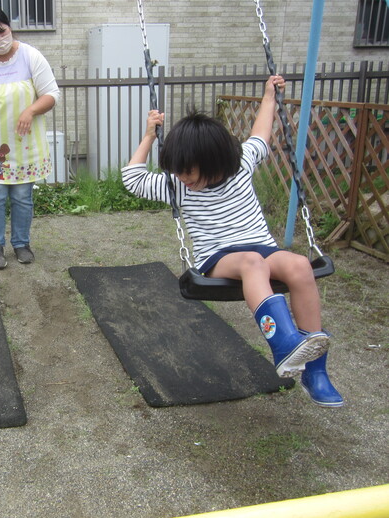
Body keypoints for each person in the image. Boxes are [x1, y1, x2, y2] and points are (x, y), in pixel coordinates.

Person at [122, 75, 343, 407]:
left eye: (190, 173)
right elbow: (132, 178)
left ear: (216, 162)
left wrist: (269, 96)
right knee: (252, 262)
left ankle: (316, 371)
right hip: (218, 258)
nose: (184, 179)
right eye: (179, 172)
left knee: (298, 265)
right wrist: (149, 136)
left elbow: (261, 134)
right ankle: (283, 342)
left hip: (262, 247)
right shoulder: (178, 186)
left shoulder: (241, 164)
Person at [0, 5, 60, 270]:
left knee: (21, 197)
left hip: (24, 144)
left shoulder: (31, 56)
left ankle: (21, 243)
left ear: (9, 27)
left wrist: (31, 109)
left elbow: (51, 94)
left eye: (1, 31)